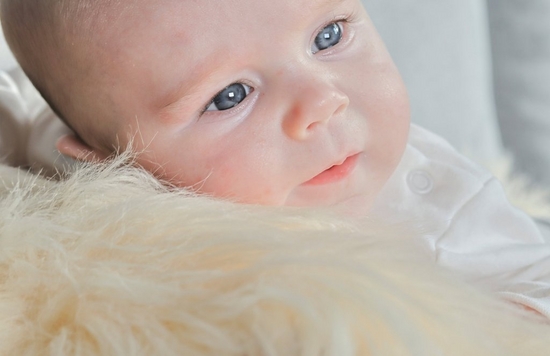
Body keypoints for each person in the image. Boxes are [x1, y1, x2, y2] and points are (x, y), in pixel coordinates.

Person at [1, 0, 550, 317]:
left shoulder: (429, 196)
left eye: (328, 35)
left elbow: (535, 280)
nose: (322, 102)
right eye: (231, 96)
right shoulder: (80, 210)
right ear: (106, 162)